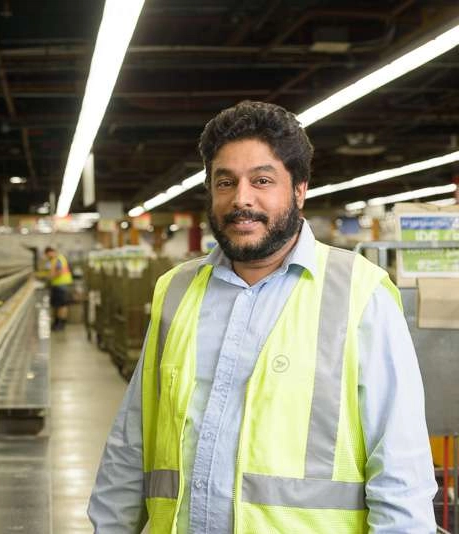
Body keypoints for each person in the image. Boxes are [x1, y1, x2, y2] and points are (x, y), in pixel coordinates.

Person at [88, 101, 436, 533]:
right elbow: (131, 443)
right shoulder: (176, 291)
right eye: (225, 182)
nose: (241, 199)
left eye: (262, 180)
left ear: (299, 190)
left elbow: (401, 470)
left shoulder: (361, 293)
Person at [44, 246, 73, 331]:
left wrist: (49, 278)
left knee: (62, 306)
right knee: (58, 305)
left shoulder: (58, 259)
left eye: (47, 254)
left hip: (62, 285)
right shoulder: (54, 260)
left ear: (51, 252)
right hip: (58, 285)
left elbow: (59, 272)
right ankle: (57, 323)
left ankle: (61, 324)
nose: (47, 256)